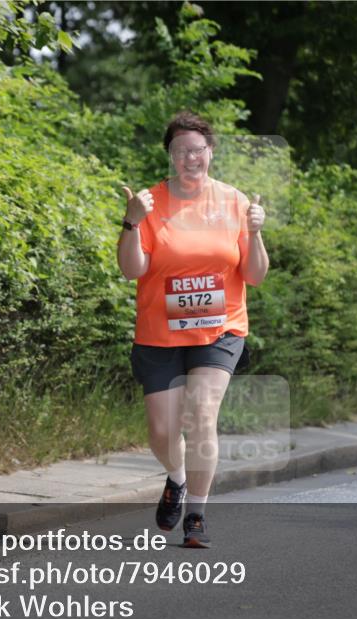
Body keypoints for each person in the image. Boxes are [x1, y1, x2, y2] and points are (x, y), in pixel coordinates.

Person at [118, 111, 269, 546]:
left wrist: (256, 234)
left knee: (201, 414)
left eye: (197, 149)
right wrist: (130, 221)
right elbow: (132, 270)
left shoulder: (235, 202)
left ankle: (197, 515)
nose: (190, 157)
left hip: (220, 330)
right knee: (163, 432)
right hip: (159, 332)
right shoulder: (149, 202)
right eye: (181, 150)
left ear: (211, 153)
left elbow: (255, 276)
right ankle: (177, 480)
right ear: (170, 155)